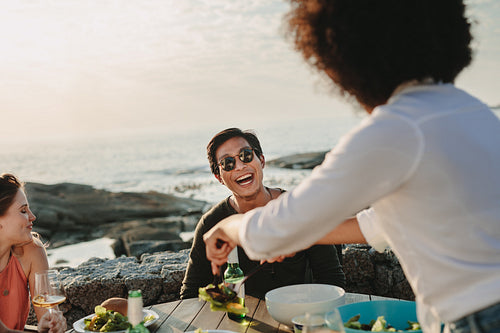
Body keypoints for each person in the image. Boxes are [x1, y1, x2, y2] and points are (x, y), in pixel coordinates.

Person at [202, 1, 500, 332]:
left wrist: (227, 229)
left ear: (349, 54)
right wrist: (300, 238)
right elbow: (387, 222)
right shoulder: (474, 113)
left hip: (477, 317)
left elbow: (280, 226)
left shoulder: (396, 128)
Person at [180, 128, 345, 299]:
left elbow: (332, 278)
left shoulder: (300, 209)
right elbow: (190, 293)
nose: (240, 166)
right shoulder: (211, 224)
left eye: (246, 155)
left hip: (301, 316)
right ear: (218, 177)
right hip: (240, 321)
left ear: (262, 160)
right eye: (228, 163)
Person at [0, 174, 66, 333]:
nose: (32, 217)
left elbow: (49, 317)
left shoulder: (32, 251)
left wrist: (50, 326)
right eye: (23, 211)